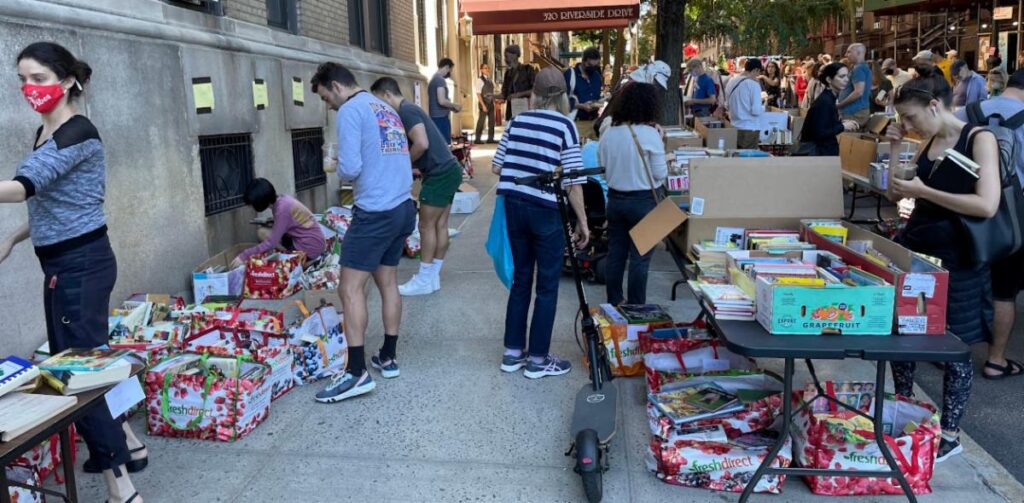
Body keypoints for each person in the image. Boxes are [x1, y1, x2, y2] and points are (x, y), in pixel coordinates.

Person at [0, 42, 144, 503]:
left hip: (78, 267)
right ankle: (131, 446)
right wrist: (14, 239)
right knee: (91, 361)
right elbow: (53, 204)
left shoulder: (76, 132)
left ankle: (122, 489)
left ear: (65, 81)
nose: (28, 88)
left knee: (75, 375)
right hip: (71, 263)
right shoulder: (48, 131)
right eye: (22, 78)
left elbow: (23, 189)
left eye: (38, 78)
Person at [886, 67, 1001, 463]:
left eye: (910, 117)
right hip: (918, 253)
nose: (907, 124)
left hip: (960, 259)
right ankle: (903, 412)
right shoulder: (928, 139)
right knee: (904, 337)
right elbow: (896, 193)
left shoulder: (978, 138)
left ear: (934, 105)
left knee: (954, 348)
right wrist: (896, 148)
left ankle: (950, 434)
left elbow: (987, 204)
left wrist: (924, 190)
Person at [311, 62, 416, 402]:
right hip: (402, 207)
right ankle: (389, 354)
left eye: (327, 98)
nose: (328, 105)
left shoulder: (351, 110)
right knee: (387, 282)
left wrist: (336, 166)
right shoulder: (383, 106)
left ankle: (356, 372)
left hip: (376, 212)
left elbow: (352, 168)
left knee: (349, 289)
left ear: (336, 87)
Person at [492, 66, 589, 379]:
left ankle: (512, 353)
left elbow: (497, 167)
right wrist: (583, 223)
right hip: (546, 210)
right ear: (562, 96)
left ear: (534, 92)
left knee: (522, 279)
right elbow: (574, 181)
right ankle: (537, 359)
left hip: (514, 206)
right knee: (547, 285)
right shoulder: (565, 126)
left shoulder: (517, 121)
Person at [953, 69, 1024, 379]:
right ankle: (996, 360)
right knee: (1004, 290)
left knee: (958, 281)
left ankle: (950, 353)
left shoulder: (965, 113)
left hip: (959, 208)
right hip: (1013, 217)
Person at [370, 77, 462, 297]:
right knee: (439, 226)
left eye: (379, 102)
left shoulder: (406, 111)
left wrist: (403, 164)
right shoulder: (411, 109)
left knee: (426, 227)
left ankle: (424, 278)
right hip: (448, 169)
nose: (380, 109)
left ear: (386, 95)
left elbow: (421, 143)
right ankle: (432, 277)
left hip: (439, 173)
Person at [598, 83, 667, 305]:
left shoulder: (608, 133)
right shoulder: (650, 134)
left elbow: (602, 166)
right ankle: (637, 308)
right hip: (644, 202)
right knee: (640, 259)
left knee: (616, 254)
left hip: (616, 200)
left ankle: (615, 302)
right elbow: (660, 174)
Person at [230, 178, 327, 268]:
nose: (251, 207)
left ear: (260, 201)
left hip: (309, 247)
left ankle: (300, 261)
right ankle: (298, 260)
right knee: (264, 233)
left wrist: (244, 256)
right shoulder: (282, 200)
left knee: (264, 235)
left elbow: (271, 242)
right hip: (311, 242)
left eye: (252, 204)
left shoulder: (282, 209)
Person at [797, 62, 860, 155]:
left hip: (822, 153)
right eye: (841, 77)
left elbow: (824, 124)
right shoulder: (825, 101)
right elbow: (820, 132)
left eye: (847, 76)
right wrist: (843, 126)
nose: (846, 80)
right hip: (819, 156)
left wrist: (842, 124)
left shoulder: (829, 98)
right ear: (829, 80)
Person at [725, 58, 766, 149]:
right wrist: (763, 107)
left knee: (736, 158)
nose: (758, 75)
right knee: (748, 160)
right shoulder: (753, 85)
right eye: (758, 72)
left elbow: (727, 105)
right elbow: (755, 111)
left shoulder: (731, 82)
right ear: (756, 70)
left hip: (734, 126)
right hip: (749, 128)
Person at [564, 46, 604, 140]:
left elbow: (596, 97)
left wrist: (599, 102)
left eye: (596, 66)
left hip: (594, 123)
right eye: (590, 65)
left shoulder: (596, 76)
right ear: (583, 61)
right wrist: (581, 106)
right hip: (577, 123)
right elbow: (562, 99)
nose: (593, 68)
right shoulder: (570, 74)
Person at [837, 43, 872, 125]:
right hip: (855, 112)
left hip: (854, 113)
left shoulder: (859, 69)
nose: (846, 55)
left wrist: (840, 105)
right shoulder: (861, 67)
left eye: (849, 52)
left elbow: (858, 92)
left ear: (858, 53)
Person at [428, 57, 461, 143]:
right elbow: (441, 101)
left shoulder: (433, 79)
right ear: (446, 67)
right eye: (449, 70)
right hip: (441, 118)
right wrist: (455, 105)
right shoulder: (440, 80)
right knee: (445, 145)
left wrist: (452, 108)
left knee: (439, 145)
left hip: (435, 117)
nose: (449, 73)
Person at [501, 44, 536, 120]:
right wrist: (492, 96)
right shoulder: (507, 73)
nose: (505, 59)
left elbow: (534, 90)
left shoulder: (528, 69)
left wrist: (518, 94)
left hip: (525, 110)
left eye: (507, 56)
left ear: (515, 55)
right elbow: (504, 94)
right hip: (511, 113)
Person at [473, 62, 496, 144]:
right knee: (481, 121)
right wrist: (483, 105)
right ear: (482, 70)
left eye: (488, 68)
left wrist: (494, 103)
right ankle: (477, 139)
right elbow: (478, 93)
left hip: (491, 104)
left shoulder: (490, 80)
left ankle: (490, 139)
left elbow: (493, 92)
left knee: (492, 122)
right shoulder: (479, 80)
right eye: (485, 68)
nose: (487, 69)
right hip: (484, 103)